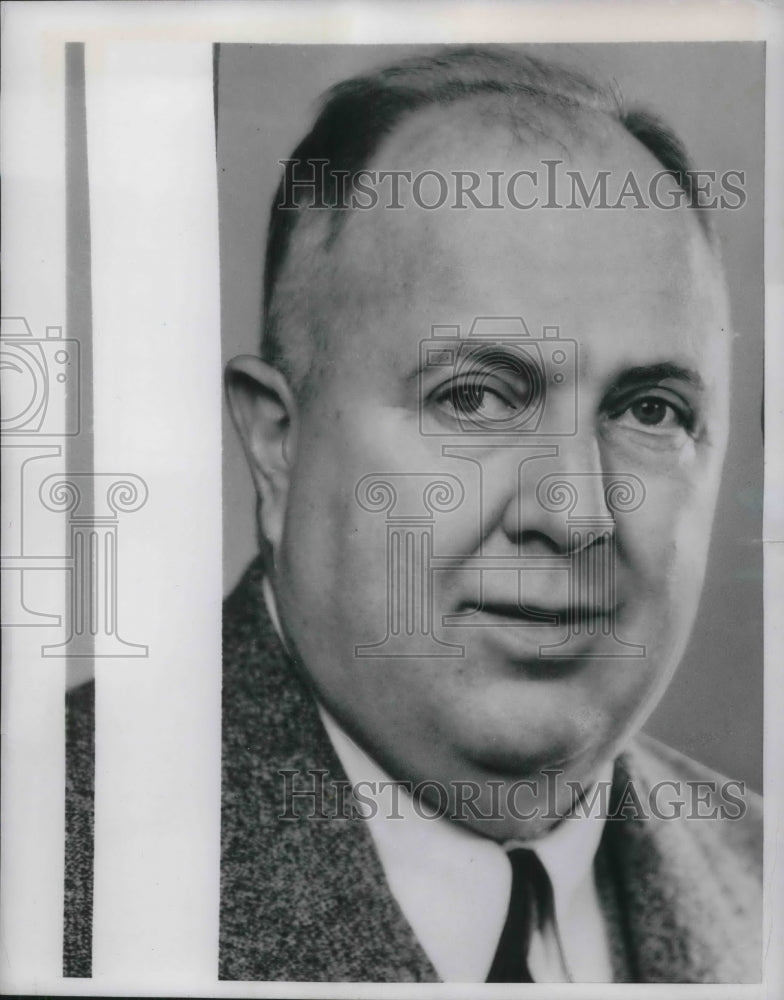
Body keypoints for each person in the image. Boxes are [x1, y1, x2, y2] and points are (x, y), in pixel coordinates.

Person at [221, 46, 761, 983]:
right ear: (278, 442)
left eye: (650, 412)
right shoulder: (49, 859)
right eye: (475, 399)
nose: (575, 512)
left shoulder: (766, 878)